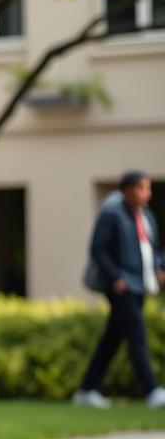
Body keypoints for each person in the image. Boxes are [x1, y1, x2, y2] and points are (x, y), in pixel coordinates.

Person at [74, 171, 165, 409]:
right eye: (142, 188)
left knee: (112, 339)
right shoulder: (112, 214)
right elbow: (98, 248)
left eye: (148, 188)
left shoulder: (146, 216)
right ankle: (152, 390)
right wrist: (115, 276)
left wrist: (158, 267)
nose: (148, 193)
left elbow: (153, 248)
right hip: (122, 287)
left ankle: (86, 390)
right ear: (127, 190)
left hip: (141, 285)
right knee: (137, 335)